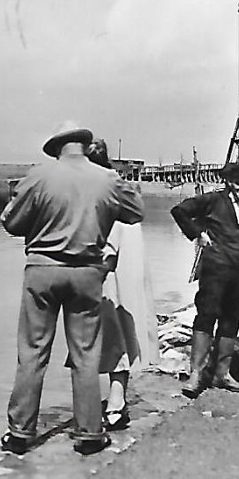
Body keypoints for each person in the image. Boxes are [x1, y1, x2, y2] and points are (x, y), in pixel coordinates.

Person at [0, 122, 144, 456]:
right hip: (87, 273)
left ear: (57, 148)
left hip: (42, 271)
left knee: (33, 351)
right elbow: (136, 213)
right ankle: (90, 433)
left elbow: (11, 223)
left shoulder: (39, 175)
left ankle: (20, 432)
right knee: (86, 353)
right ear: (84, 145)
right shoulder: (107, 178)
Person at [65, 139, 158, 432]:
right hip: (113, 277)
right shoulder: (117, 190)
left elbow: (108, 247)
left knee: (110, 342)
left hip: (107, 279)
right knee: (112, 341)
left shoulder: (103, 194)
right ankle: (112, 401)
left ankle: (115, 403)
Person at [171, 162, 239, 398]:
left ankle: (223, 373)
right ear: (230, 183)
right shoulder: (214, 201)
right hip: (214, 271)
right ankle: (196, 374)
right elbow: (179, 211)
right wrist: (198, 234)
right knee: (206, 316)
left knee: (232, 319)